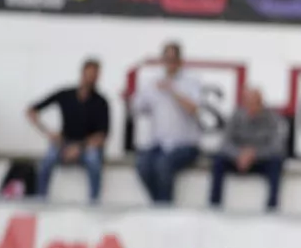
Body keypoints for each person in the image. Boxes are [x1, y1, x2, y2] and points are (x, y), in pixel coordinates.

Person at [128, 42, 201, 205]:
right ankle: (159, 205)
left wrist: (173, 90)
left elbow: (194, 109)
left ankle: (165, 207)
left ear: (180, 61)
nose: (170, 63)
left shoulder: (191, 81)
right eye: (167, 59)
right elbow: (138, 107)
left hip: (185, 144)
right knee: (142, 164)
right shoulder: (153, 82)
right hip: (159, 144)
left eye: (173, 59)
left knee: (163, 165)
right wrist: (128, 99)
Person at [28, 58, 110, 203]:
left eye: (95, 75)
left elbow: (101, 136)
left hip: (86, 146)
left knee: (94, 161)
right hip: (64, 143)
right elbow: (32, 110)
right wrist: (48, 132)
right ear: (82, 73)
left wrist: (79, 148)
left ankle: (94, 203)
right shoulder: (65, 95)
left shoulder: (101, 102)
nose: (91, 78)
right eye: (89, 74)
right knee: (47, 161)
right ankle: (40, 200)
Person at [209, 87, 288, 211]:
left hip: (260, 159)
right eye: (247, 102)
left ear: (261, 102)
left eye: (255, 103)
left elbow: (277, 146)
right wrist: (239, 154)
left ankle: (272, 207)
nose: (251, 107)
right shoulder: (236, 116)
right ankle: (214, 205)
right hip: (238, 159)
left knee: (276, 163)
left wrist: (253, 154)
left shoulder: (272, 118)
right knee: (218, 161)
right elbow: (225, 143)